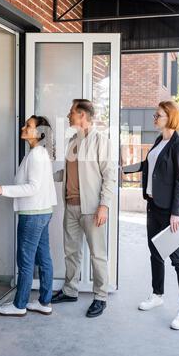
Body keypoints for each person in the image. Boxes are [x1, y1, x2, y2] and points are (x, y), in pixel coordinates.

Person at [123, 100, 179, 330]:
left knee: (178, 259)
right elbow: (146, 165)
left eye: (158, 115)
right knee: (155, 253)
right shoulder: (159, 141)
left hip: (168, 211)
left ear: (170, 117)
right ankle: (157, 294)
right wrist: (121, 169)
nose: (154, 118)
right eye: (155, 114)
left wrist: (176, 213)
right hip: (152, 206)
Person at [52, 99, 116, 318]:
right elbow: (68, 173)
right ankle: (70, 290)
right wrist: (46, 177)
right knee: (71, 252)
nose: (69, 115)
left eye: (72, 112)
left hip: (91, 208)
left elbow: (109, 175)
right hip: (70, 205)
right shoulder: (72, 141)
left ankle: (100, 297)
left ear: (82, 115)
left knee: (98, 254)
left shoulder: (101, 141)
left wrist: (104, 206)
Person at [0, 116, 57, 317]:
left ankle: (19, 305)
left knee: (26, 260)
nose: (23, 127)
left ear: (39, 132)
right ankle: (44, 302)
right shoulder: (40, 153)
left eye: (28, 126)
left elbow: (33, 187)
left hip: (33, 214)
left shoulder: (36, 155)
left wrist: (3, 189)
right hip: (43, 212)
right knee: (44, 258)